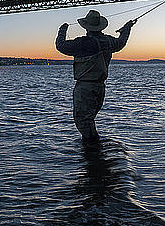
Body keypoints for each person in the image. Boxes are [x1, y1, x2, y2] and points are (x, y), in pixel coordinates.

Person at [55, 10, 135, 142]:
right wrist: (126, 28)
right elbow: (121, 42)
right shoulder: (109, 41)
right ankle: (96, 154)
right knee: (89, 120)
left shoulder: (83, 43)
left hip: (85, 88)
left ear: (86, 27)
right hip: (100, 88)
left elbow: (61, 45)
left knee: (83, 121)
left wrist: (62, 30)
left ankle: (93, 153)